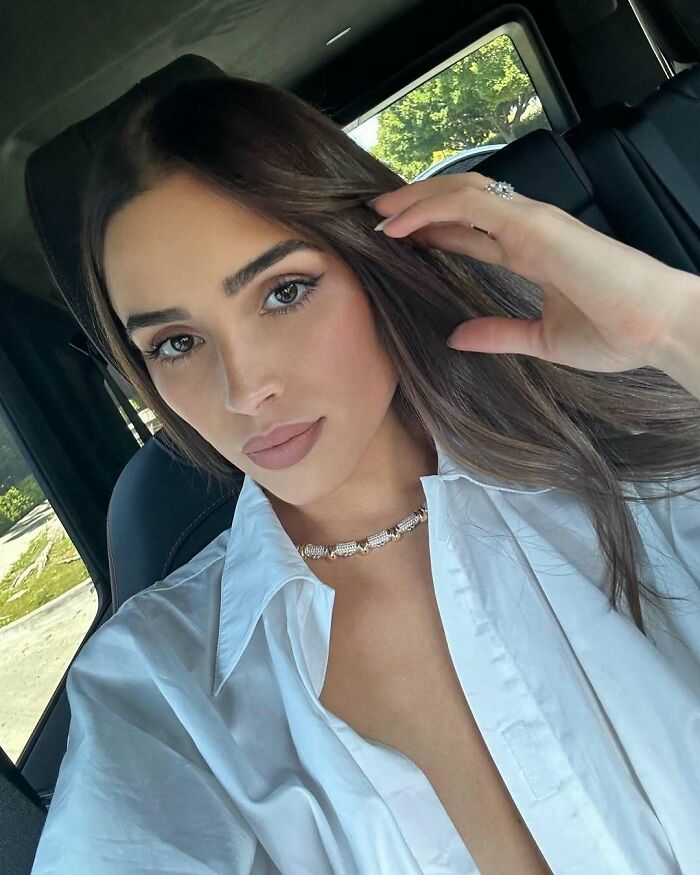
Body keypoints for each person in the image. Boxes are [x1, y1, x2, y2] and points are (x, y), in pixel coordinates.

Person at [31, 75, 700, 874]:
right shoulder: (158, 686)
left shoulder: (631, 477)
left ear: (378, 258)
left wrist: (672, 325)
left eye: (285, 291)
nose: (246, 391)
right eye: (175, 342)